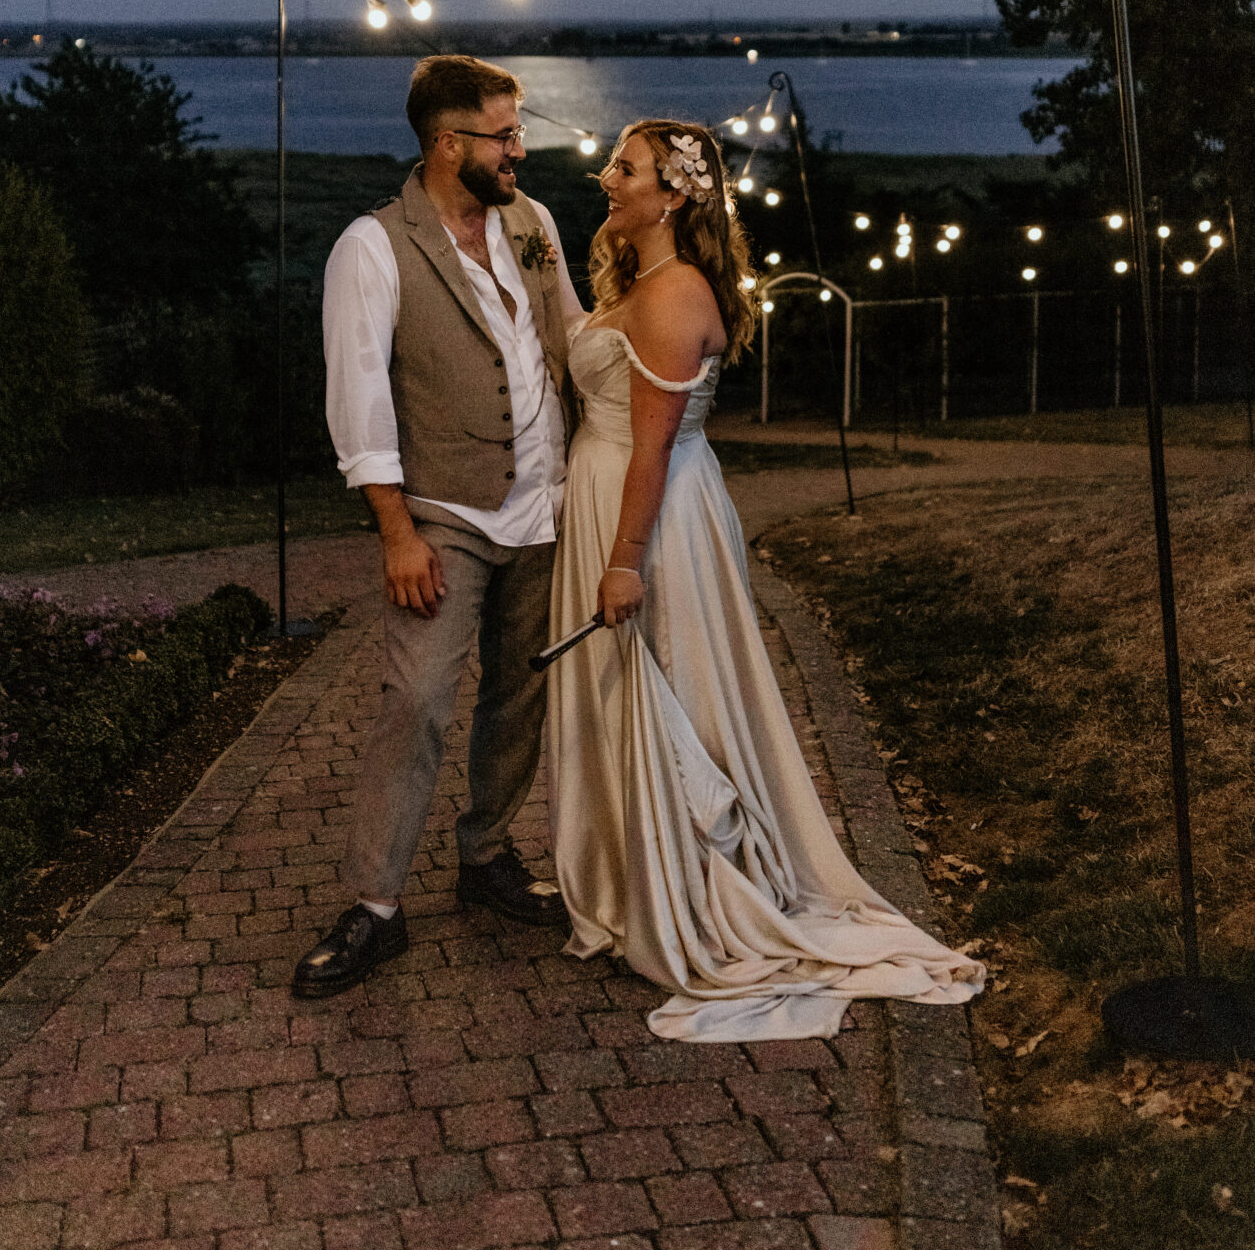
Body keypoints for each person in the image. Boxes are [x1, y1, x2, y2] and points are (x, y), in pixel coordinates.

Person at [548, 119, 983, 1039]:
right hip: (612, 498)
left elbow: (653, 446)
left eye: (625, 168)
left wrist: (623, 560)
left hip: (650, 518)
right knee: (628, 692)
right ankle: (632, 870)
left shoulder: (675, 294)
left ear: (674, 196)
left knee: (672, 686)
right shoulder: (640, 283)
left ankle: (689, 882)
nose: (607, 177)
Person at [293, 55, 583, 1000]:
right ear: (449, 143)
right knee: (416, 703)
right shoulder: (371, 247)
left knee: (522, 693)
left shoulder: (532, 224)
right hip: (445, 516)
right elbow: (359, 401)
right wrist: (397, 533)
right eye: (504, 134)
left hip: (546, 504)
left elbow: (571, 336)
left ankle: (486, 856)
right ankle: (375, 905)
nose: (518, 149)